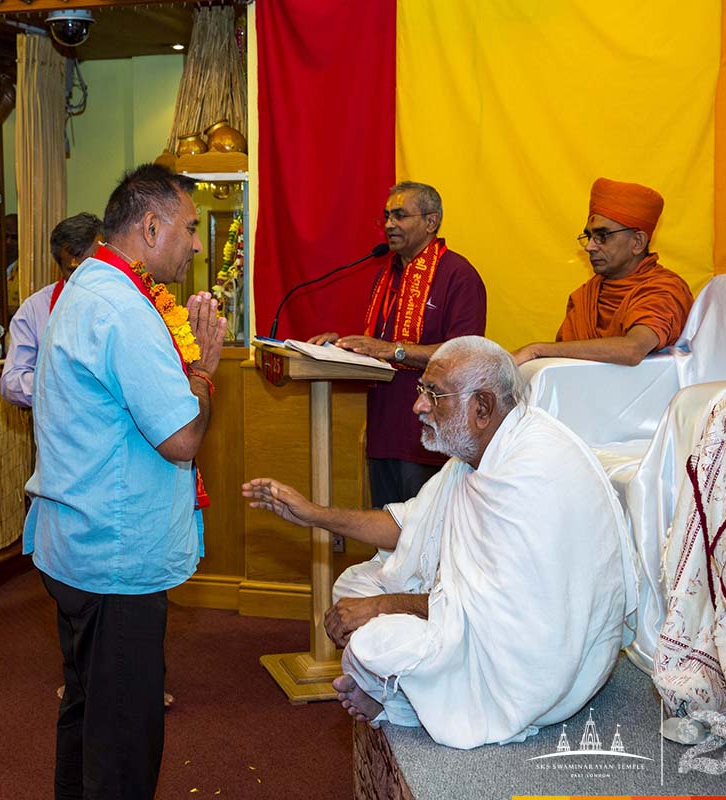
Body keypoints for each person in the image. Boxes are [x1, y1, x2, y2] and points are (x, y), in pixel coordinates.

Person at [243, 336, 635, 750]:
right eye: (421, 391)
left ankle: (404, 707)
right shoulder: (478, 450)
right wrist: (311, 513)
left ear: (481, 407)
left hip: (539, 667)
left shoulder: (532, 474)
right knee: (353, 587)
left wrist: (381, 607)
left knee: (375, 642)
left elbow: (493, 611)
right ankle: (407, 697)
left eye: (434, 394)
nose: (419, 406)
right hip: (491, 620)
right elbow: (408, 526)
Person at [26, 163, 225, 799]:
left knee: (87, 713)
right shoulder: (122, 309)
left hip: (78, 541)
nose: (196, 244)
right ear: (150, 224)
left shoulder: (86, 286)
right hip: (115, 553)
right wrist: (206, 370)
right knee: (123, 740)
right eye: (190, 228)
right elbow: (182, 439)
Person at [310, 182, 486, 507]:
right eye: (387, 216)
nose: (390, 224)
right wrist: (343, 347)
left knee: (427, 542)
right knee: (387, 538)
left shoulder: (458, 275)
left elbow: (466, 355)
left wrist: (394, 350)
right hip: (383, 432)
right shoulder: (387, 275)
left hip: (429, 440)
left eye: (400, 215)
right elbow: (380, 346)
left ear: (431, 222)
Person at [513, 177, 694, 366]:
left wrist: (538, 350)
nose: (589, 246)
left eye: (602, 236)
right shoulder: (586, 296)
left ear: (637, 242)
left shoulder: (664, 289)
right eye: (589, 236)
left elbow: (632, 349)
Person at [0, 212, 102, 408]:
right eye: (73, 269)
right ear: (59, 266)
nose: (84, 277)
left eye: (92, 267)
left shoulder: (126, 303)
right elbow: (11, 382)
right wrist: (64, 386)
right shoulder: (35, 310)